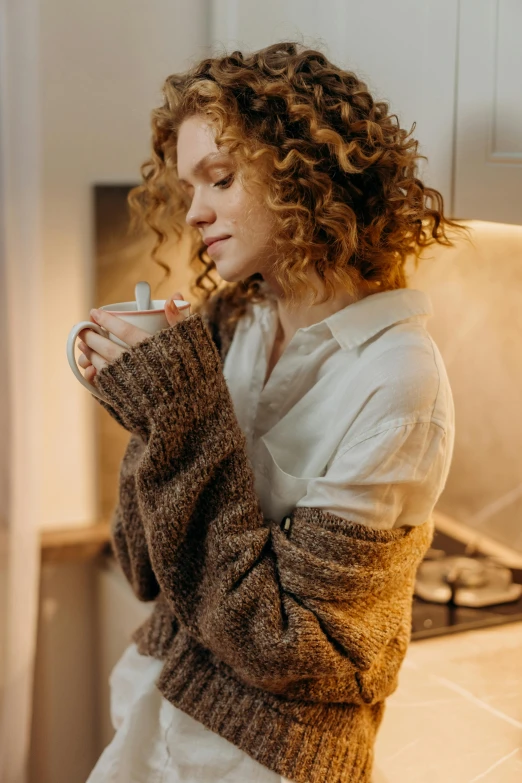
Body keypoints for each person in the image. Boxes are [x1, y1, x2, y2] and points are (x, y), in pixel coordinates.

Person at [79, 41, 463, 783]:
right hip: (149, 724)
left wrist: (180, 410)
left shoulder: (397, 382)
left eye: (219, 179)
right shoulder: (236, 325)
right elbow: (144, 568)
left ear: (304, 174)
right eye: (189, 186)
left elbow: (289, 643)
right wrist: (150, 409)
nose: (193, 212)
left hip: (261, 764)